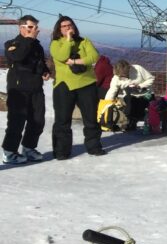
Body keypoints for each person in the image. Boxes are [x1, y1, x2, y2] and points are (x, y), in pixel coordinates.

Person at [49, 15, 105, 159]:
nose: (68, 28)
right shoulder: (56, 43)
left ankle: (94, 147)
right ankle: (61, 151)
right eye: (64, 26)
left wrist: (75, 61)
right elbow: (61, 56)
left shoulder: (84, 41)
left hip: (86, 84)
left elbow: (94, 57)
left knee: (91, 118)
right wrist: (68, 41)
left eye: (70, 25)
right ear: (59, 29)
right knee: (62, 120)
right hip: (64, 86)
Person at [3, 15, 50, 164]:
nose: (34, 30)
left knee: (37, 120)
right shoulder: (12, 44)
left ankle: (29, 148)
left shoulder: (37, 46)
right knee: (17, 121)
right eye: (30, 27)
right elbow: (18, 57)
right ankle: (9, 152)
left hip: (35, 89)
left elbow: (40, 63)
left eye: (35, 27)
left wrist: (45, 70)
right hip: (18, 89)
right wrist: (29, 40)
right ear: (21, 28)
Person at [105, 59, 155, 130]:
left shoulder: (138, 69)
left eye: (123, 75)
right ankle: (130, 122)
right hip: (130, 95)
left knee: (140, 104)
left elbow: (151, 78)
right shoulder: (116, 77)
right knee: (128, 104)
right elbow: (112, 90)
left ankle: (137, 121)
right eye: (120, 76)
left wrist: (140, 85)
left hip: (146, 93)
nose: (122, 77)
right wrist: (106, 103)